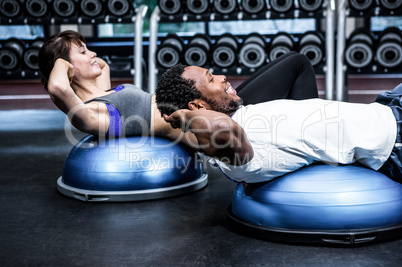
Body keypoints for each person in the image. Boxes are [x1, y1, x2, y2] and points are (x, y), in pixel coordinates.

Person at [38, 30, 318, 148]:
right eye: (83, 52)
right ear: (67, 67)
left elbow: (103, 65)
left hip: (213, 107)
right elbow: (58, 87)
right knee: (298, 64)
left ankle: (301, 133)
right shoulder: (92, 115)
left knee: (290, 61)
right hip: (215, 125)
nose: (93, 54)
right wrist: (63, 63)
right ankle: (315, 140)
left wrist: (75, 57)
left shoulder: (102, 93)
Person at [155, 64, 402, 183]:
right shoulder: (238, 156)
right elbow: (222, 130)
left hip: (385, 107)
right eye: (211, 79)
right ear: (197, 109)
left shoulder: (242, 114)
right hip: (394, 136)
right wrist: (183, 116)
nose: (222, 77)